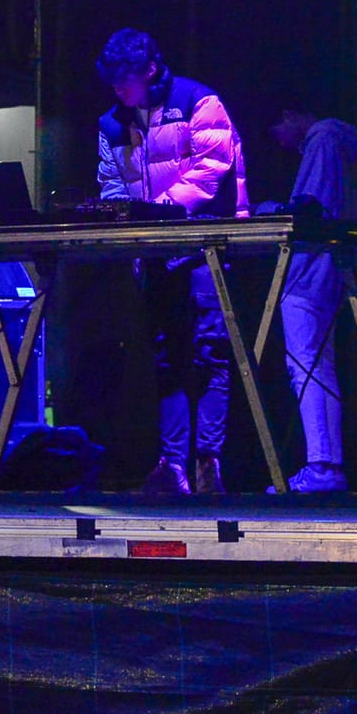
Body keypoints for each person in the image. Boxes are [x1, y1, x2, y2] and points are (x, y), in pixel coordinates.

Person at [94, 28, 248, 496]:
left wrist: (156, 212)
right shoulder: (112, 123)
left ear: (149, 70)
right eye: (113, 80)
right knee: (166, 358)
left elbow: (212, 169)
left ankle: (208, 461)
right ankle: (174, 466)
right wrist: (125, 218)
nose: (118, 88)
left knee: (209, 352)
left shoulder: (199, 102)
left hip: (203, 249)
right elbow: (111, 183)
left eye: (125, 78)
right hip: (156, 254)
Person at [267, 108, 357, 494]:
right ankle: (326, 464)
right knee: (317, 365)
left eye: (277, 126)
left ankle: (323, 465)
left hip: (309, 270)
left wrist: (271, 212)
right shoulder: (338, 143)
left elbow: (311, 207)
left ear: (291, 115)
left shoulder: (322, 140)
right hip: (327, 269)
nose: (278, 138)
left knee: (306, 365)